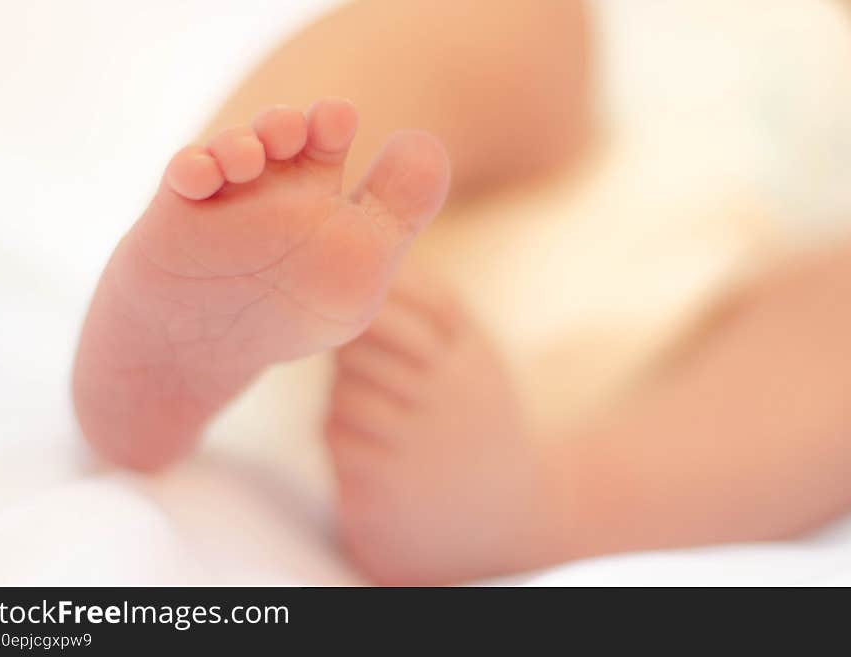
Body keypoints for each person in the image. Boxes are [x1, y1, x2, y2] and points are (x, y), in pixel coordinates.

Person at [73, 0, 851, 584]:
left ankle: (540, 510)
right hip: (485, 182)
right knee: (509, 18)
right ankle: (247, 231)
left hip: (673, 364)